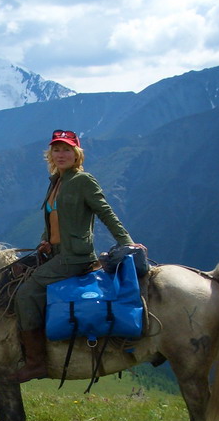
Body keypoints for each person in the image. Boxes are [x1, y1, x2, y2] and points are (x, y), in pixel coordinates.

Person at [13, 129, 137, 382]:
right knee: (13, 272)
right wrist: (45, 242)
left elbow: (105, 212)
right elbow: (54, 219)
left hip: (75, 258)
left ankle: (37, 362)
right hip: (56, 252)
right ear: (50, 154)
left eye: (66, 149)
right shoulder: (56, 180)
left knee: (26, 293)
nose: (61, 154)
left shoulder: (83, 181)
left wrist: (127, 243)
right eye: (56, 149)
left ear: (77, 154)